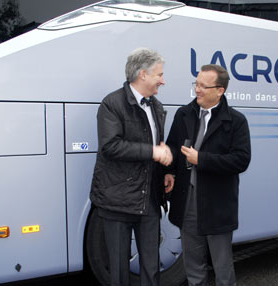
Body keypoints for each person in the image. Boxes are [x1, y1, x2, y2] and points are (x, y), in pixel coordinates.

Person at [90, 48, 172, 286]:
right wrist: (153, 152)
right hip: (117, 200)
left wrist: (165, 172)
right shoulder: (112, 103)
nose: (163, 80)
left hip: (149, 200)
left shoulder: (156, 106)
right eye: (159, 74)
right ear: (143, 74)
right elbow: (110, 146)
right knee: (118, 271)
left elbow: (157, 146)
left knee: (151, 267)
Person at [164, 64, 251, 285]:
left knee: (222, 267)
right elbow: (173, 148)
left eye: (204, 85)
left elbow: (241, 160)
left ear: (220, 90)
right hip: (187, 202)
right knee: (193, 266)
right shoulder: (184, 114)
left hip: (217, 204)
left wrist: (201, 159)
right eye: (196, 84)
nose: (197, 90)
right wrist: (169, 172)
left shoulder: (236, 121)